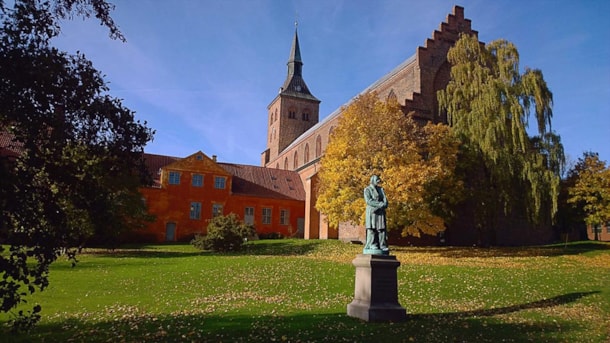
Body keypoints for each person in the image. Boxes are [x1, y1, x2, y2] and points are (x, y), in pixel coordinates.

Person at [363, 175, 388, 253]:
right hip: (372, 212)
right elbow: (368, 201)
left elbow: (385, 200)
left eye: (379, 180)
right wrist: (380, 204)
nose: (378, 181)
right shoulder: (367, 189)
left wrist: (384, 204)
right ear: (372, 180)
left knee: (382, 229)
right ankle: (372, 244)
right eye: (377, 180)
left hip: (380, 212)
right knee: (372, 228)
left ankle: (382, 245)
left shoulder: (381, 189)